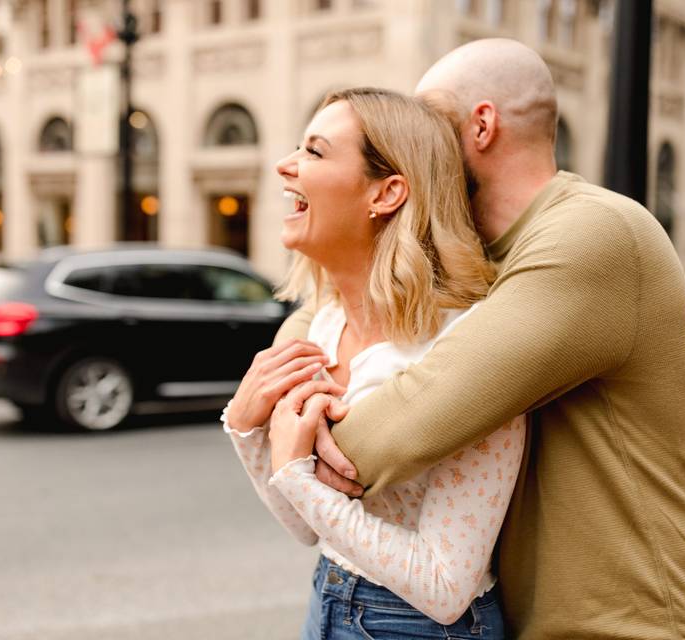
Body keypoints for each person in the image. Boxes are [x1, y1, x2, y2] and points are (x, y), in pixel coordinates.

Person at [275, 39, 685, 639]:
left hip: (634, 621)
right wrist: (283, 385)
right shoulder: (477, 251)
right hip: (533, 619)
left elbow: (405, 423)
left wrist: (286, 435)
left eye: (427, 118)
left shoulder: (591, 235)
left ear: (481, 126)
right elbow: (318, 317)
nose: (408, 135)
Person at [223, 87, 523, 639]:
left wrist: (294, 471)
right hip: (328, 599)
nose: (284, 165)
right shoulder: (323, 327)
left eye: (313, 152)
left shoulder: (466, 347)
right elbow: (305, 527)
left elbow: (446, 587)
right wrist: (245, 426)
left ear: (387, 193)